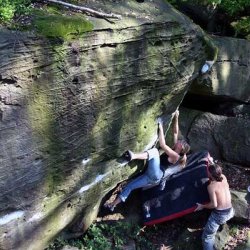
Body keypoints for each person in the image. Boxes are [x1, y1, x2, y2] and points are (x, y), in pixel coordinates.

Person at [104, 110, 190, 211]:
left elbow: (162, 144)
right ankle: (112, 205)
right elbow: (175, 131)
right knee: (130, 186)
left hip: (157, 173)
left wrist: (160, 125)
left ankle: (132, 156)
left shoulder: (176, 156)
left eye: (182, 142)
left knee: (154, 152)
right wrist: (176, 116)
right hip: (152, 177)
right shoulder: (176, 147)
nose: (180, 140)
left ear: (182, 149)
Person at [195, 162, 234, 250]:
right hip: (230, 211)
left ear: (210, 174)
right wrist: (211, 162)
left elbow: (214, 204)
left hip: (220, 215)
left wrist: (202, 206)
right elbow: (215, 171)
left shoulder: (211, 186)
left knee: (207, 237)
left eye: (208, 171)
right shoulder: (223, 177)